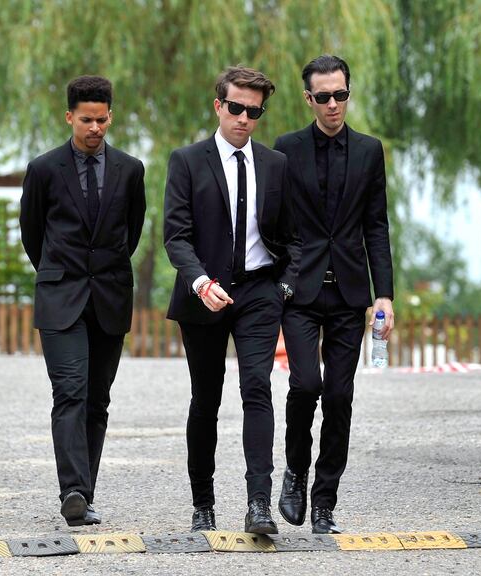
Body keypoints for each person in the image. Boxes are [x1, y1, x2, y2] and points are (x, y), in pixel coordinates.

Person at [164, 66, 300, 534]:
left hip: (260, 291)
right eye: (237, 107)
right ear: (219, 105)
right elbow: (175, 237)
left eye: (254, 111)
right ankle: (203, 504)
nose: (244, 118)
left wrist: (283, 286)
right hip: (204, 292)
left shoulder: (276, 164)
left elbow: (294, 237)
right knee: (206, 397)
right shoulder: (186, 161)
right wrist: (200, 282)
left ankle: (258, 505)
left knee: (257, 388)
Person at [273, 55, 394, 534]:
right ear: (309, 99)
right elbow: (276, 225)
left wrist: (383, 295)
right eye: (322, 97)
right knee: (306, 386)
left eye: (340, 94)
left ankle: (325, 503)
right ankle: (295, 472)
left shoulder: (369, 151)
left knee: (340, 397)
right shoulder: (285, 150)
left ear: (349, 92)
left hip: (348, 294)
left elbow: (376, 226)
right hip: (300, 293)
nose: (332, 104)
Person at [20, 75, 146, 526]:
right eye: (86, 120)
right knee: (69, 391)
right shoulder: (43, 169)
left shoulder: (131, 170)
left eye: (102, 119)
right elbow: (32, 234)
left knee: (98, 400)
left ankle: (83, 493)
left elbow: (130, 234)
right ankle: (72, 490)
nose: (95, 128)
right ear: (69, 117)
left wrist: (101, 273)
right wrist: (58, 273)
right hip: (61, 296)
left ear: (111, 116)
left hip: (109, 296)